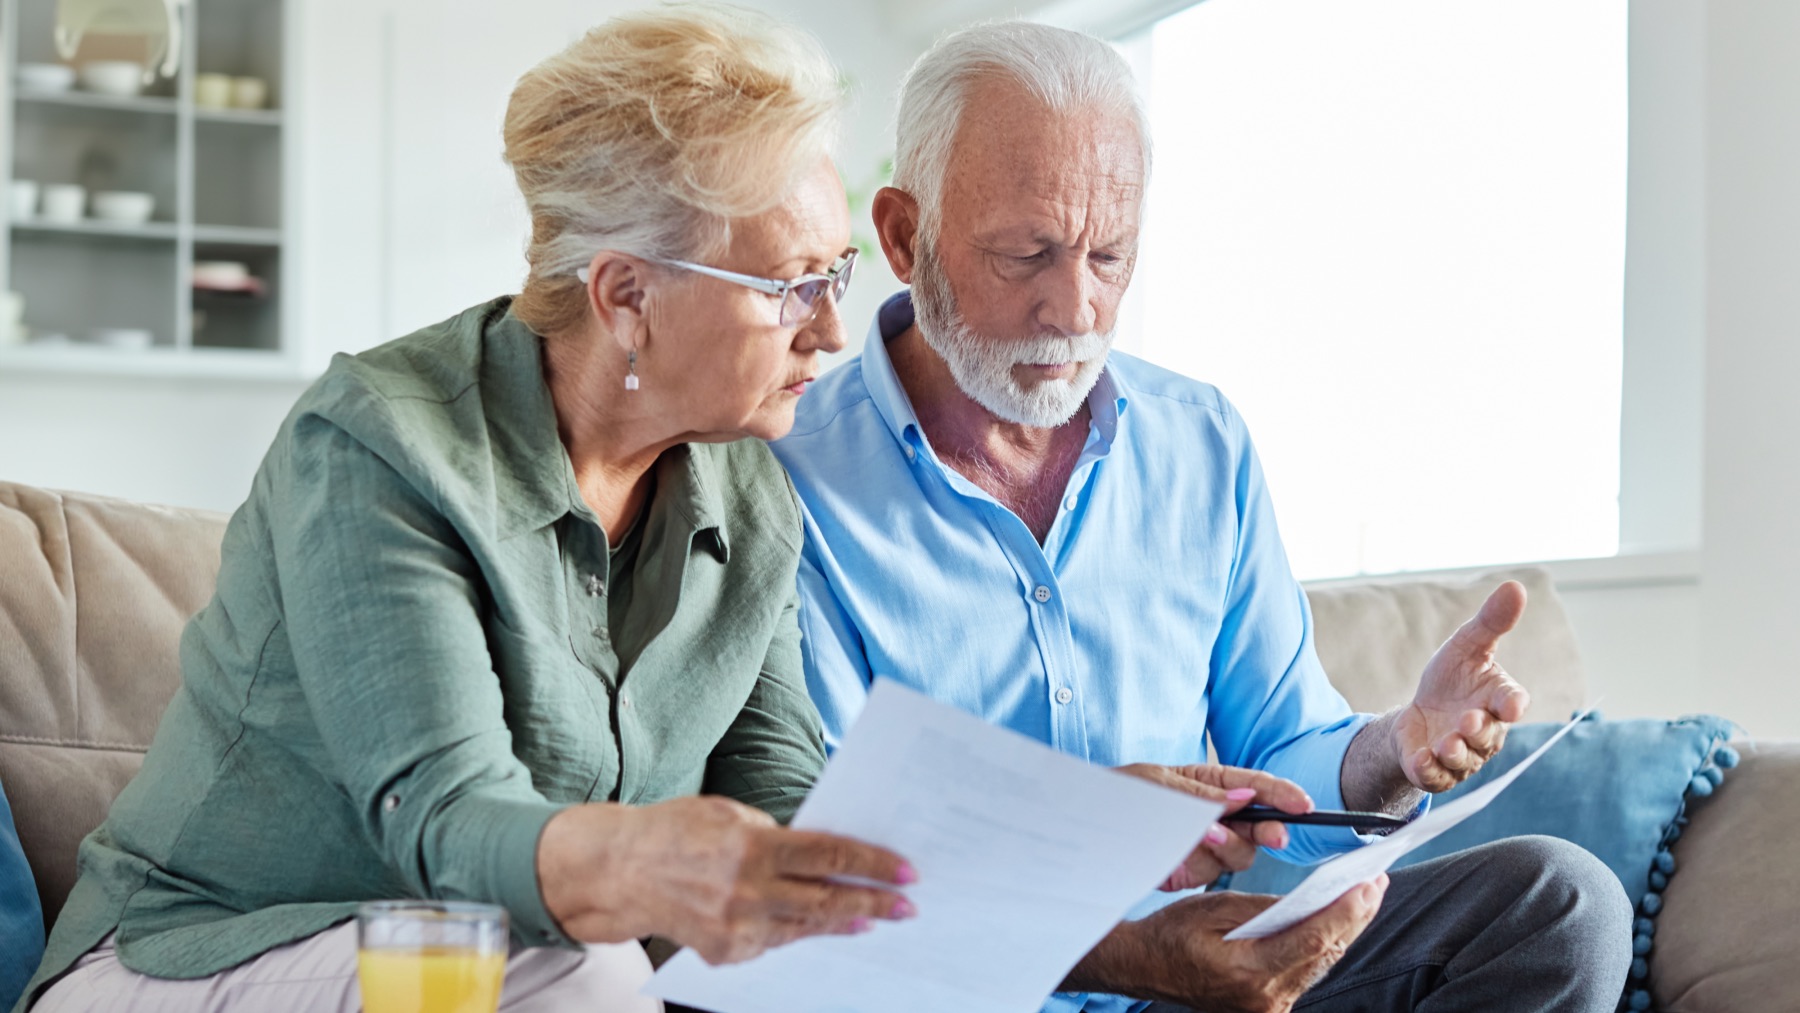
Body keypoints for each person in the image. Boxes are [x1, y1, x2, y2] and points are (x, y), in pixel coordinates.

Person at [17, 8, 918, 1011]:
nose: (834, 330)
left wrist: (960, 870)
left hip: (494, 969)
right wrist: (642, 863)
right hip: (188, 956)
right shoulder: (380, 445)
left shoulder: (748, 488)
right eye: (794, 285)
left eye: (837, 274)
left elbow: (781, 793)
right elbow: (445, 817)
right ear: (626, 296)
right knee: (584, 964)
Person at [771, 20, 1634, 1013]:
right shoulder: (787, 481)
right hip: (956, 990)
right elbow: (817, 854)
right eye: (1027, 254)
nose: (1076, 308)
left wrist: (1394, 748)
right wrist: (1102, 869)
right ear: (901, 236)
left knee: (1559, 903)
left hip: (1196, 984)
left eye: (1109, 254)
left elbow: (1285, 760)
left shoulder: (1200, 441)